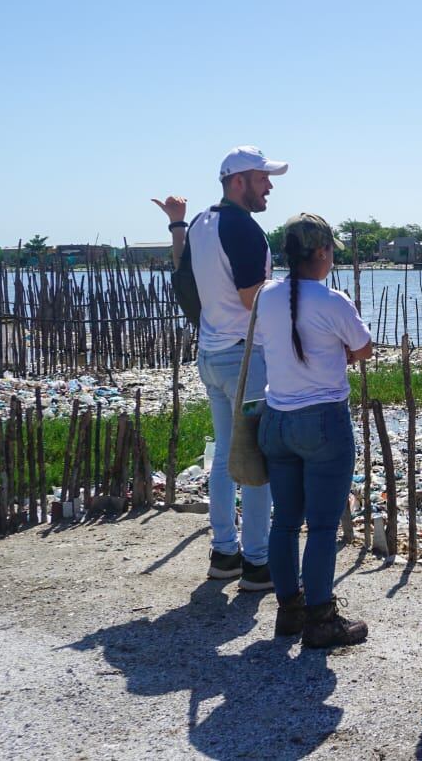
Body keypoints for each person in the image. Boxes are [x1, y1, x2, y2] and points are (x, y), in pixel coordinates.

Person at [153, 145, 285, 590]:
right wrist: (295, 299)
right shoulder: (244, 229)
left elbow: (183, 275)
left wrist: (176, 222)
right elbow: (253, 299)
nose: (269, 186)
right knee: (256, 461)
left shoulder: (201, 223)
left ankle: (224, 553)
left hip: (210, 354)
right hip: (245, 359)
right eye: (262, 177)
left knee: (227, 457)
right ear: (238, 181)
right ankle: (257, 562)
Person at [254, 213, 374, 647]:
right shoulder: (333, 301)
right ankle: (321, 620)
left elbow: (267, 343)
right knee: (322, 526)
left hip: (276, 421)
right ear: (321, 251)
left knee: (284, 521)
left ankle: (290, 610)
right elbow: (362, 348)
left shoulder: (266, 296)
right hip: (322, 421)